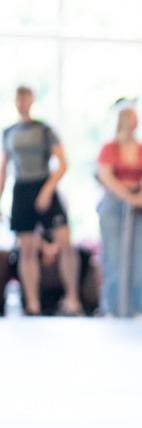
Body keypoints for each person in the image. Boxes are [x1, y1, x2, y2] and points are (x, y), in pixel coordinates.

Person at [0, 85, 82, 316]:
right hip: (22, 189)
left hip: (44, 183)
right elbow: (4, 170)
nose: (22, 102)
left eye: (25, 97)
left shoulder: (44, 129)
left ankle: (73, 299)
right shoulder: (9, 132)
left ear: (32, 100)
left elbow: (62, 164)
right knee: (26, 250)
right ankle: (33, 304)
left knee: (66, 244)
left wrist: (47, 190)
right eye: (18, 98)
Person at [96, 99, 142, 318]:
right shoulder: (109, 147)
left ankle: (137, 308)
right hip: (114, 205)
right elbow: (106, 176)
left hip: (140, 206)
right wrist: (128, 197)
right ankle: (112, 308)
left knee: (140, 260)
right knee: (113, 257)